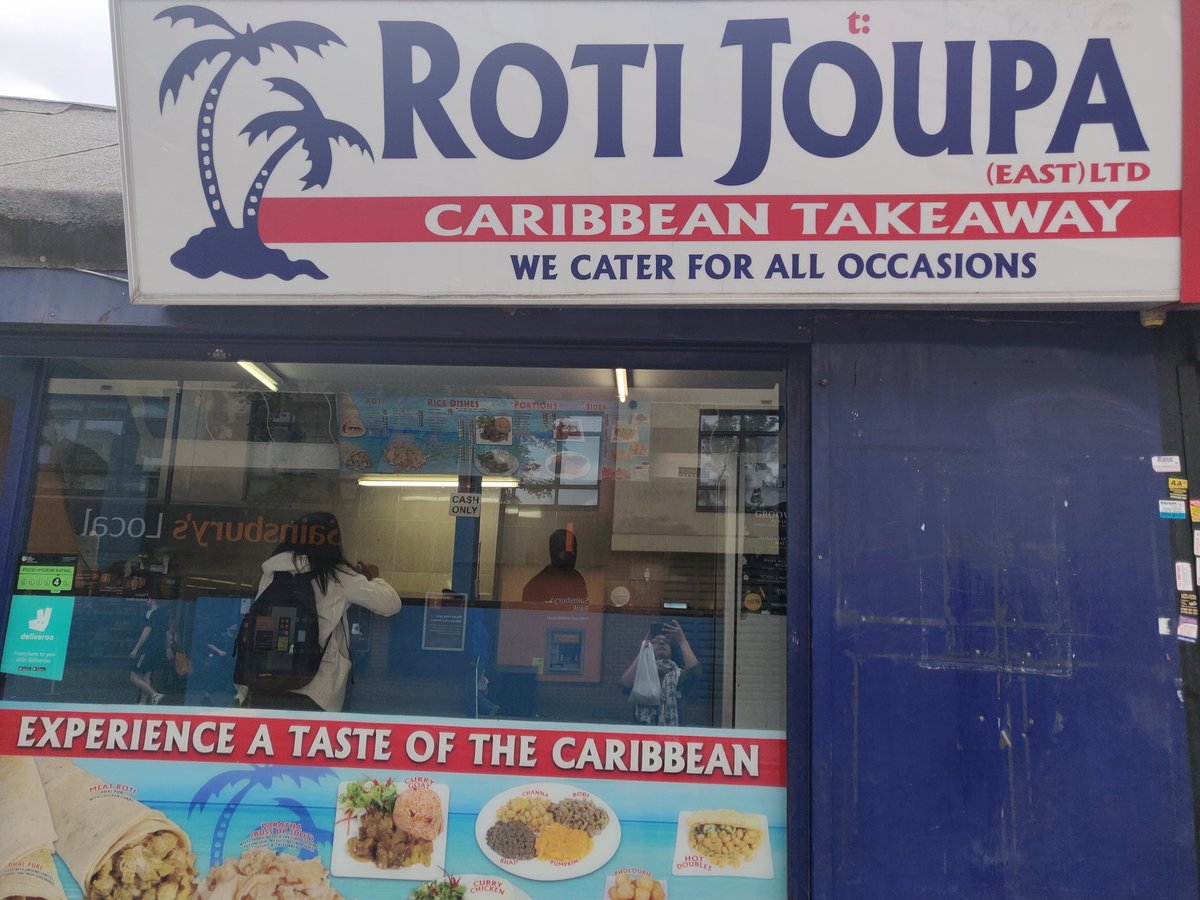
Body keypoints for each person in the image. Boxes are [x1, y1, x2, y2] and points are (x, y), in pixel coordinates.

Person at [242, 511, 402, 712]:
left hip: (262, 684)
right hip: (315, 691)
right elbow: (390, 604)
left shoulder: (272, 571)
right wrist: (374, 578)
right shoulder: (337, 576)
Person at [620, 619, 701, 727]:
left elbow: (695, 672)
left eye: (666, 642)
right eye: (656, 642)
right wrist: (644, 648)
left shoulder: (678, 676)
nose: (662, 643)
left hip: (672, 740)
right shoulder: (642, 675)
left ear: (672, 650)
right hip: (643, 738)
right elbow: (624, 684)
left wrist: (682, 641)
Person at [521, 527, 588, 608]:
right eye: (567, 549)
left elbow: (583, 613)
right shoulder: (534, 587)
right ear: (553, 550)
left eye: (574, 548)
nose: (573, 554)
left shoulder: (577, 579)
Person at [129, 598, 171, 704]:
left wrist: (136, 648)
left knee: (134, 676)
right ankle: (143, 703)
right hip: (158, 649)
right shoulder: (164, 614)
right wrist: (168, 648)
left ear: (152, 600)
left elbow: (146, 632)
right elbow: (167, 632)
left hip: (147, 648)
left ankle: (154, 694)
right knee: (147, 676)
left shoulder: (152, 614)